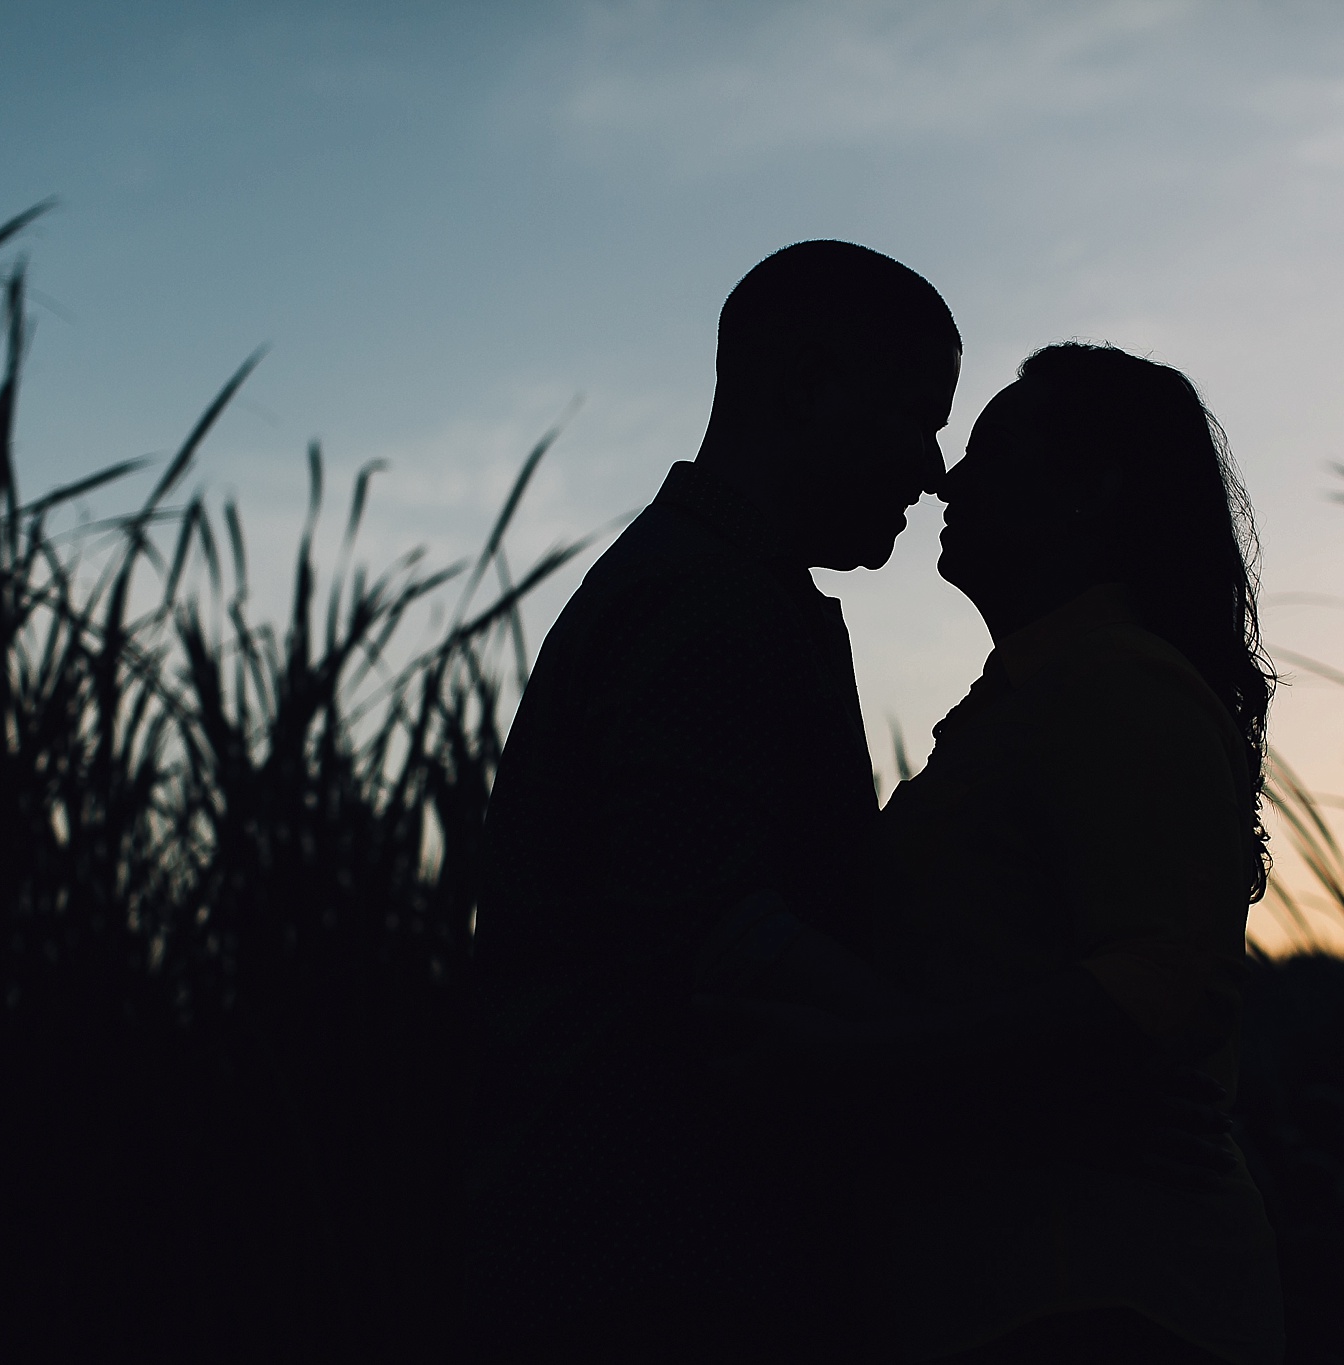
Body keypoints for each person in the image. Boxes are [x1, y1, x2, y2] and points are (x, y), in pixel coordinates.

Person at [697, 342, 1286, 1364]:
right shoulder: (1029, 700)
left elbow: (1151, 993)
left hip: (1106, 1299)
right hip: (1017, 1290)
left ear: (1088, 492)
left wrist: (853, 1062)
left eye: (990, 449)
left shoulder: (1118, 686)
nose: (942, 478)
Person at [463, 239, 960, 1362]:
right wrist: (957, 1058)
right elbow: (709, 927)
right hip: (652, 1270)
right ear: (806, 386)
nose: (932, 470)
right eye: (914, 414)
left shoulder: (708, 584)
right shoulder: (706, 603)